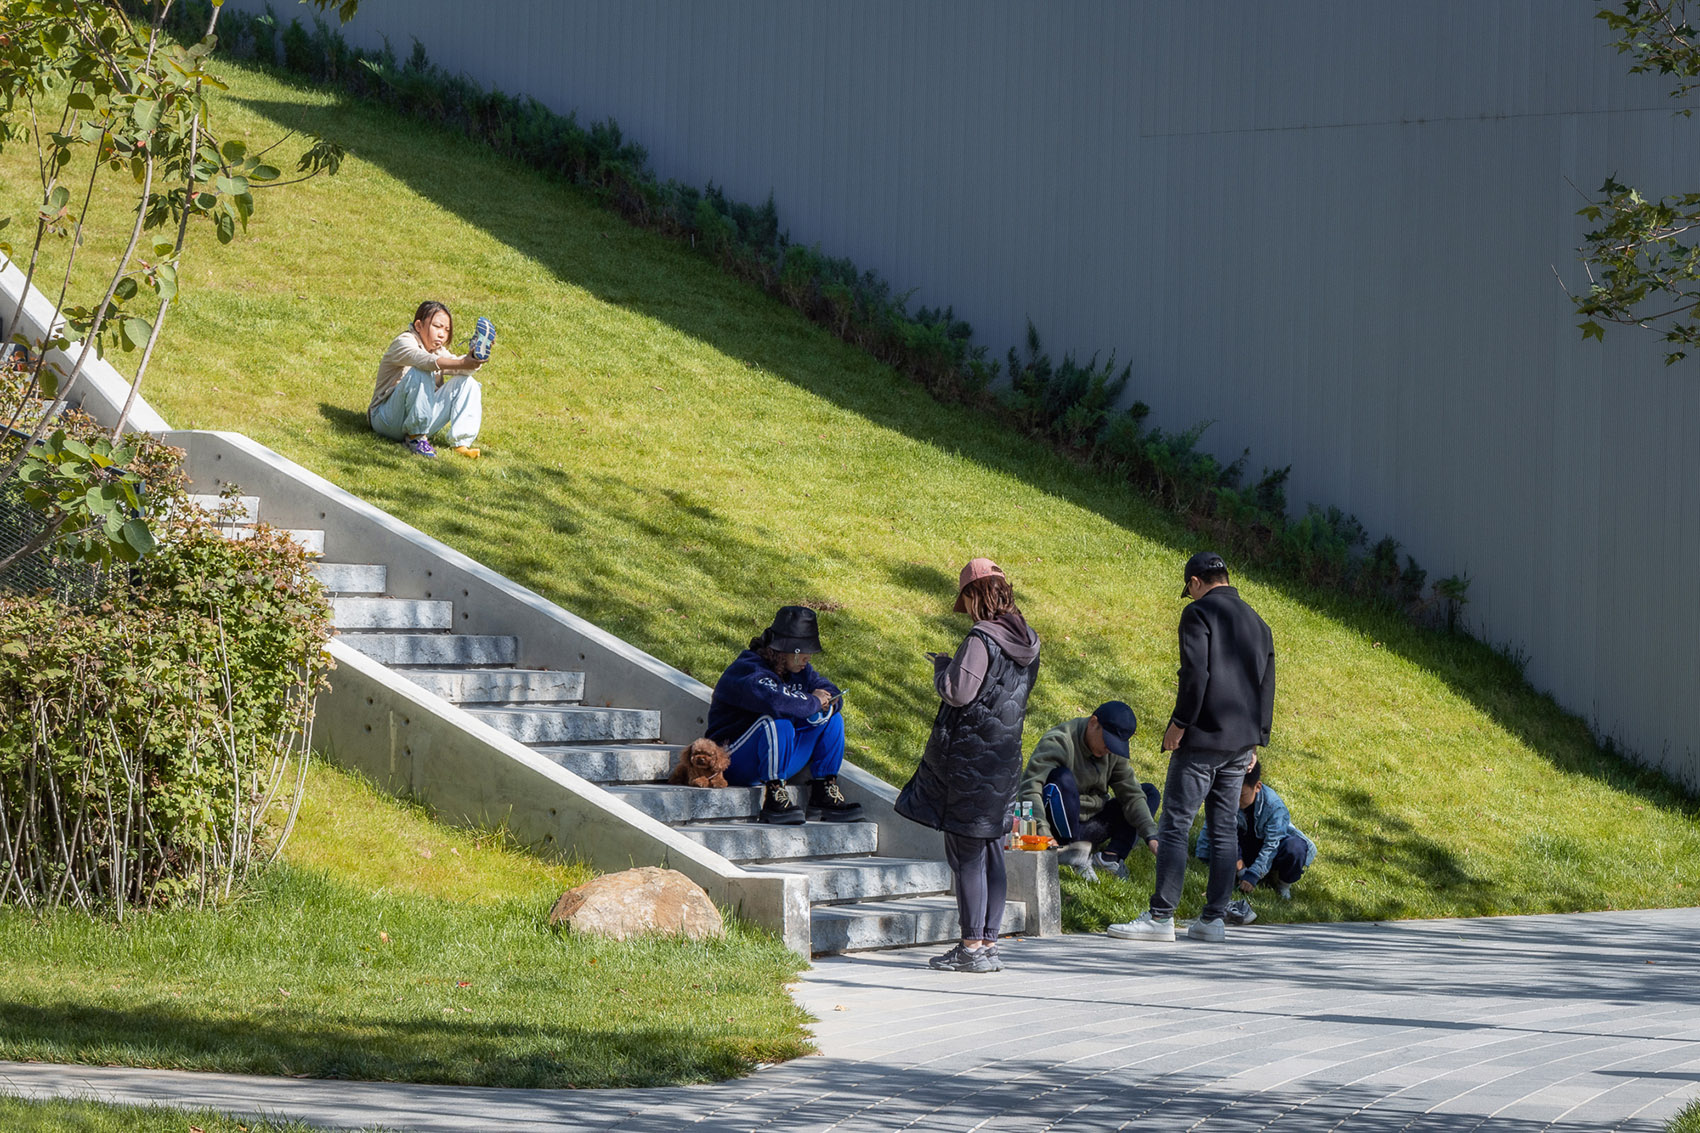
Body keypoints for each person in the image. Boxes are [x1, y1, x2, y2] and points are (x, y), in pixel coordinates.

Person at [1109, 551, 1274, 944]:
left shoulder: (1198, 614)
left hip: (1201, 737)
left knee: (1175, 823)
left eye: (1191, 589)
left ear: (1197, 582)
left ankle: (1160, 916)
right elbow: (1267, 684)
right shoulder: (1259, 623)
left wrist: (1179, 724)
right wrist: (1258, 737)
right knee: (1222, 831)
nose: (1191, 595)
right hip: (1240, 744)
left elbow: (1196, 674)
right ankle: (1213, 920)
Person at [896, 558, 1041, 974]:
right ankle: (989, 944)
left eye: (967, 600)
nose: (968, 611)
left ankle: (971, 946)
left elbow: (959, 692)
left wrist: (943, 667)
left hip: (971, 759)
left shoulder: (981, 638)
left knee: (967, 853)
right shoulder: (1028, 639)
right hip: (1005, 757)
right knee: (993, 849)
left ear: (976, 595)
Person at [705, 606, 862, 825]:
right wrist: (814, 701)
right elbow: (778, 702)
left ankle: (823, 789)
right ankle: (774, 797)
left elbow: (830, 692)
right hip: (732, 758)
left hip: (774, 757)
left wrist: (825, 703)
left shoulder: (800, 671)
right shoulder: (747, 670)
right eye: (802, 651)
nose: (807, 657)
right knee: (779, 722)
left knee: (832, 719)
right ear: (786, 649)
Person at [1018, 701, 1160, 883]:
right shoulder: (1059, 741)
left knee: (1148, 792)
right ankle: (1073, 853)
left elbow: (1131, 793)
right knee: (1061, 779)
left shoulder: (1111, 753)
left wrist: (1151, 835)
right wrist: (1043, 833)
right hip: (1059, 827)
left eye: (1116, 746)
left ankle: (1109, 858)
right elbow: (1031, 789)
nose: (1109, 749)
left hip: (1093, 823)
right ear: (1093, 723)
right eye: (1108, 742)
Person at [1195, 759, 1315, 921]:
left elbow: (1272, 845)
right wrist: (1240, 869)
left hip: (1265, 846)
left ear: (1257, 787)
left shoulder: (1274, 807)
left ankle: (1282, 884)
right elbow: (1219, 831)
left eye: (1242, 795)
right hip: (1242, 844)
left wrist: (1253, 875)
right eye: (1234, 795)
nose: (1236, 802)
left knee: (1295, 848)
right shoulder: (1226, 796)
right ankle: (1241, 873)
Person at [368, 300, 485, 459]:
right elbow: (423, 360)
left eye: (447, 329)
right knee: (421, 370)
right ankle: (415, 438)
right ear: (418, 325)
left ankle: (461, 444)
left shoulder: (437, 350)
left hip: (418, 419)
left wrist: (474, 359)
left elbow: (457, 366)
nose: (442, 334)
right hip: (387, 420)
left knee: (467, 383)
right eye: (437, 326)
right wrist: (463, 362)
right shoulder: (403, 342)